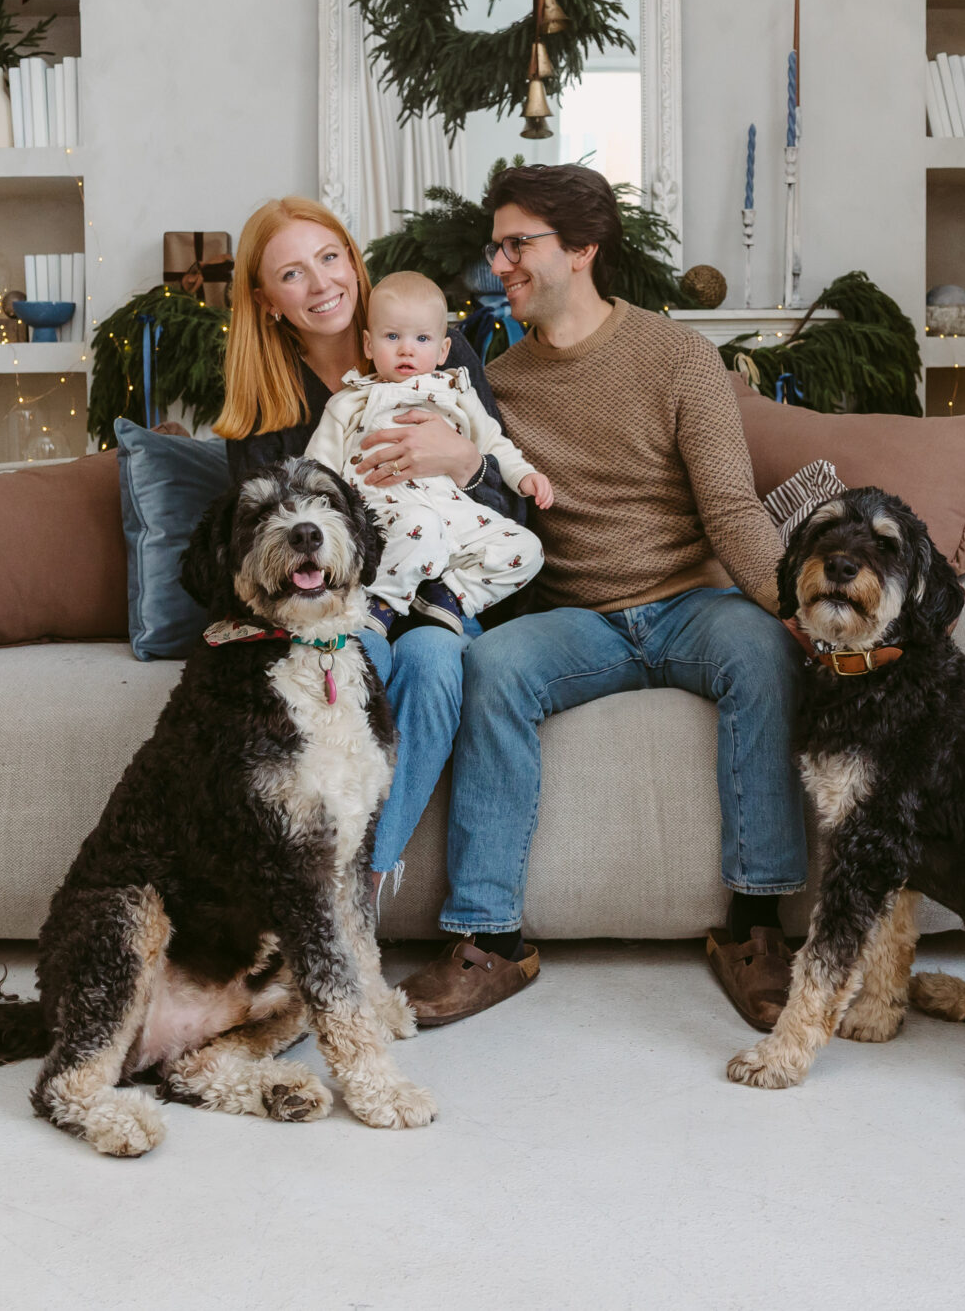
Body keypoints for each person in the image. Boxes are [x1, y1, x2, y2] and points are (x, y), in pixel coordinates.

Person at [398, 164, 806, 1031]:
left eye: (519, 244)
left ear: (582, 248)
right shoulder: (496, 384)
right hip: (576, 617)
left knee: (762, 650)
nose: (498, 262)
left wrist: (796, 611)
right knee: (494, 665)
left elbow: (731, 508)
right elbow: (480, 503)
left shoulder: (678, 356)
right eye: (495, 244)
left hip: (692, 602)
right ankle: (491, 939)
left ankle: (756, 925)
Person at [213, 197, 525, 890]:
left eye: (329, 259)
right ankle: (335, 878)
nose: (320, 283)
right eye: (292, 273)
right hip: (338, 606)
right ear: (267, 301)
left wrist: (464, 463)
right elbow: (264, 551)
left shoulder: (432, 347)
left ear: (353, 264)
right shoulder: (265, 407)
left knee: (437, 654)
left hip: (442, 591)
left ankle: (362, 874)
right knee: (360, 653)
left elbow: (514, 509)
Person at [304, 270, 553, 636]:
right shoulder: (351, 401)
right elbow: (316, 469)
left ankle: (447, 595)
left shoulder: (457, 396)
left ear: (442, 351)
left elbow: (493, 442)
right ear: (369, 346)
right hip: (389, 514)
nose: (407, 349)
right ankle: (381, 602)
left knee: (527, 548)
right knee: (420, 524)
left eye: (421, 338)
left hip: (455, 513)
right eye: (393, 337)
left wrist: (524, 475)